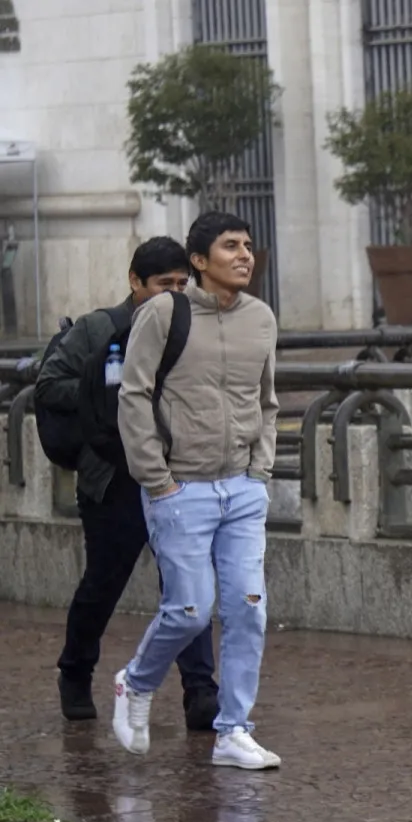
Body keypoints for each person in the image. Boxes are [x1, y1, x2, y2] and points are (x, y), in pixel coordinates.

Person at [111, 211, 281, 770]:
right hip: (180, 488)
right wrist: (157, 479)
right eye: (230, 246)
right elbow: (133, 395)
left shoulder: (260, 318)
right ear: (200, 261)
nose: (244, 255)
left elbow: (267, 400)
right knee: (188, 611)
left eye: (248, 245)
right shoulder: (164, 312)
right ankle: (136, 683)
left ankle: (233, 731)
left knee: (248, 611)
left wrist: (260, 470)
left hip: (243, 488)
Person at [37, 238, 219, 727]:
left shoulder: (192, 327)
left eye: (182, 284)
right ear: (135, 282)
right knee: (103, 583)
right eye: (163, 284)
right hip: (113, 477)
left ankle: (201, 692)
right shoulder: (100, 328)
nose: (174, 294)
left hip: (176, 475)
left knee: (186, 585)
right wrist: (109, 388)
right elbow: (49, 386)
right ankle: (75, 672)